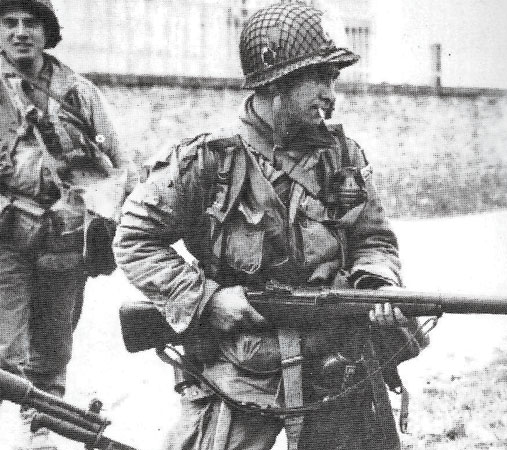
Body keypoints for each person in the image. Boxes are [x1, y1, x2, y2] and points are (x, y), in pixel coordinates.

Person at [114, 2, 427, 450]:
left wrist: (375, 284)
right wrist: (207, 300)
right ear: (277, 83)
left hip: (334, 361)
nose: (330, 94)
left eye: (332, 79)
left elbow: (372, 238)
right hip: (238, 369)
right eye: (318, 78)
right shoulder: (210, 161)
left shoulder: (342, 158)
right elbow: (135, 239)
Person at [0, 0, 134, 448]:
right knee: (3, 349)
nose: (20, 32)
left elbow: (123, 166)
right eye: (9, 22)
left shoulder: (78, 92)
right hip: (5, 236)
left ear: (47, 31)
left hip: (64, 238)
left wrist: (99, 214)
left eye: (30, 23)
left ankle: (41, 430)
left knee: (54, 348)